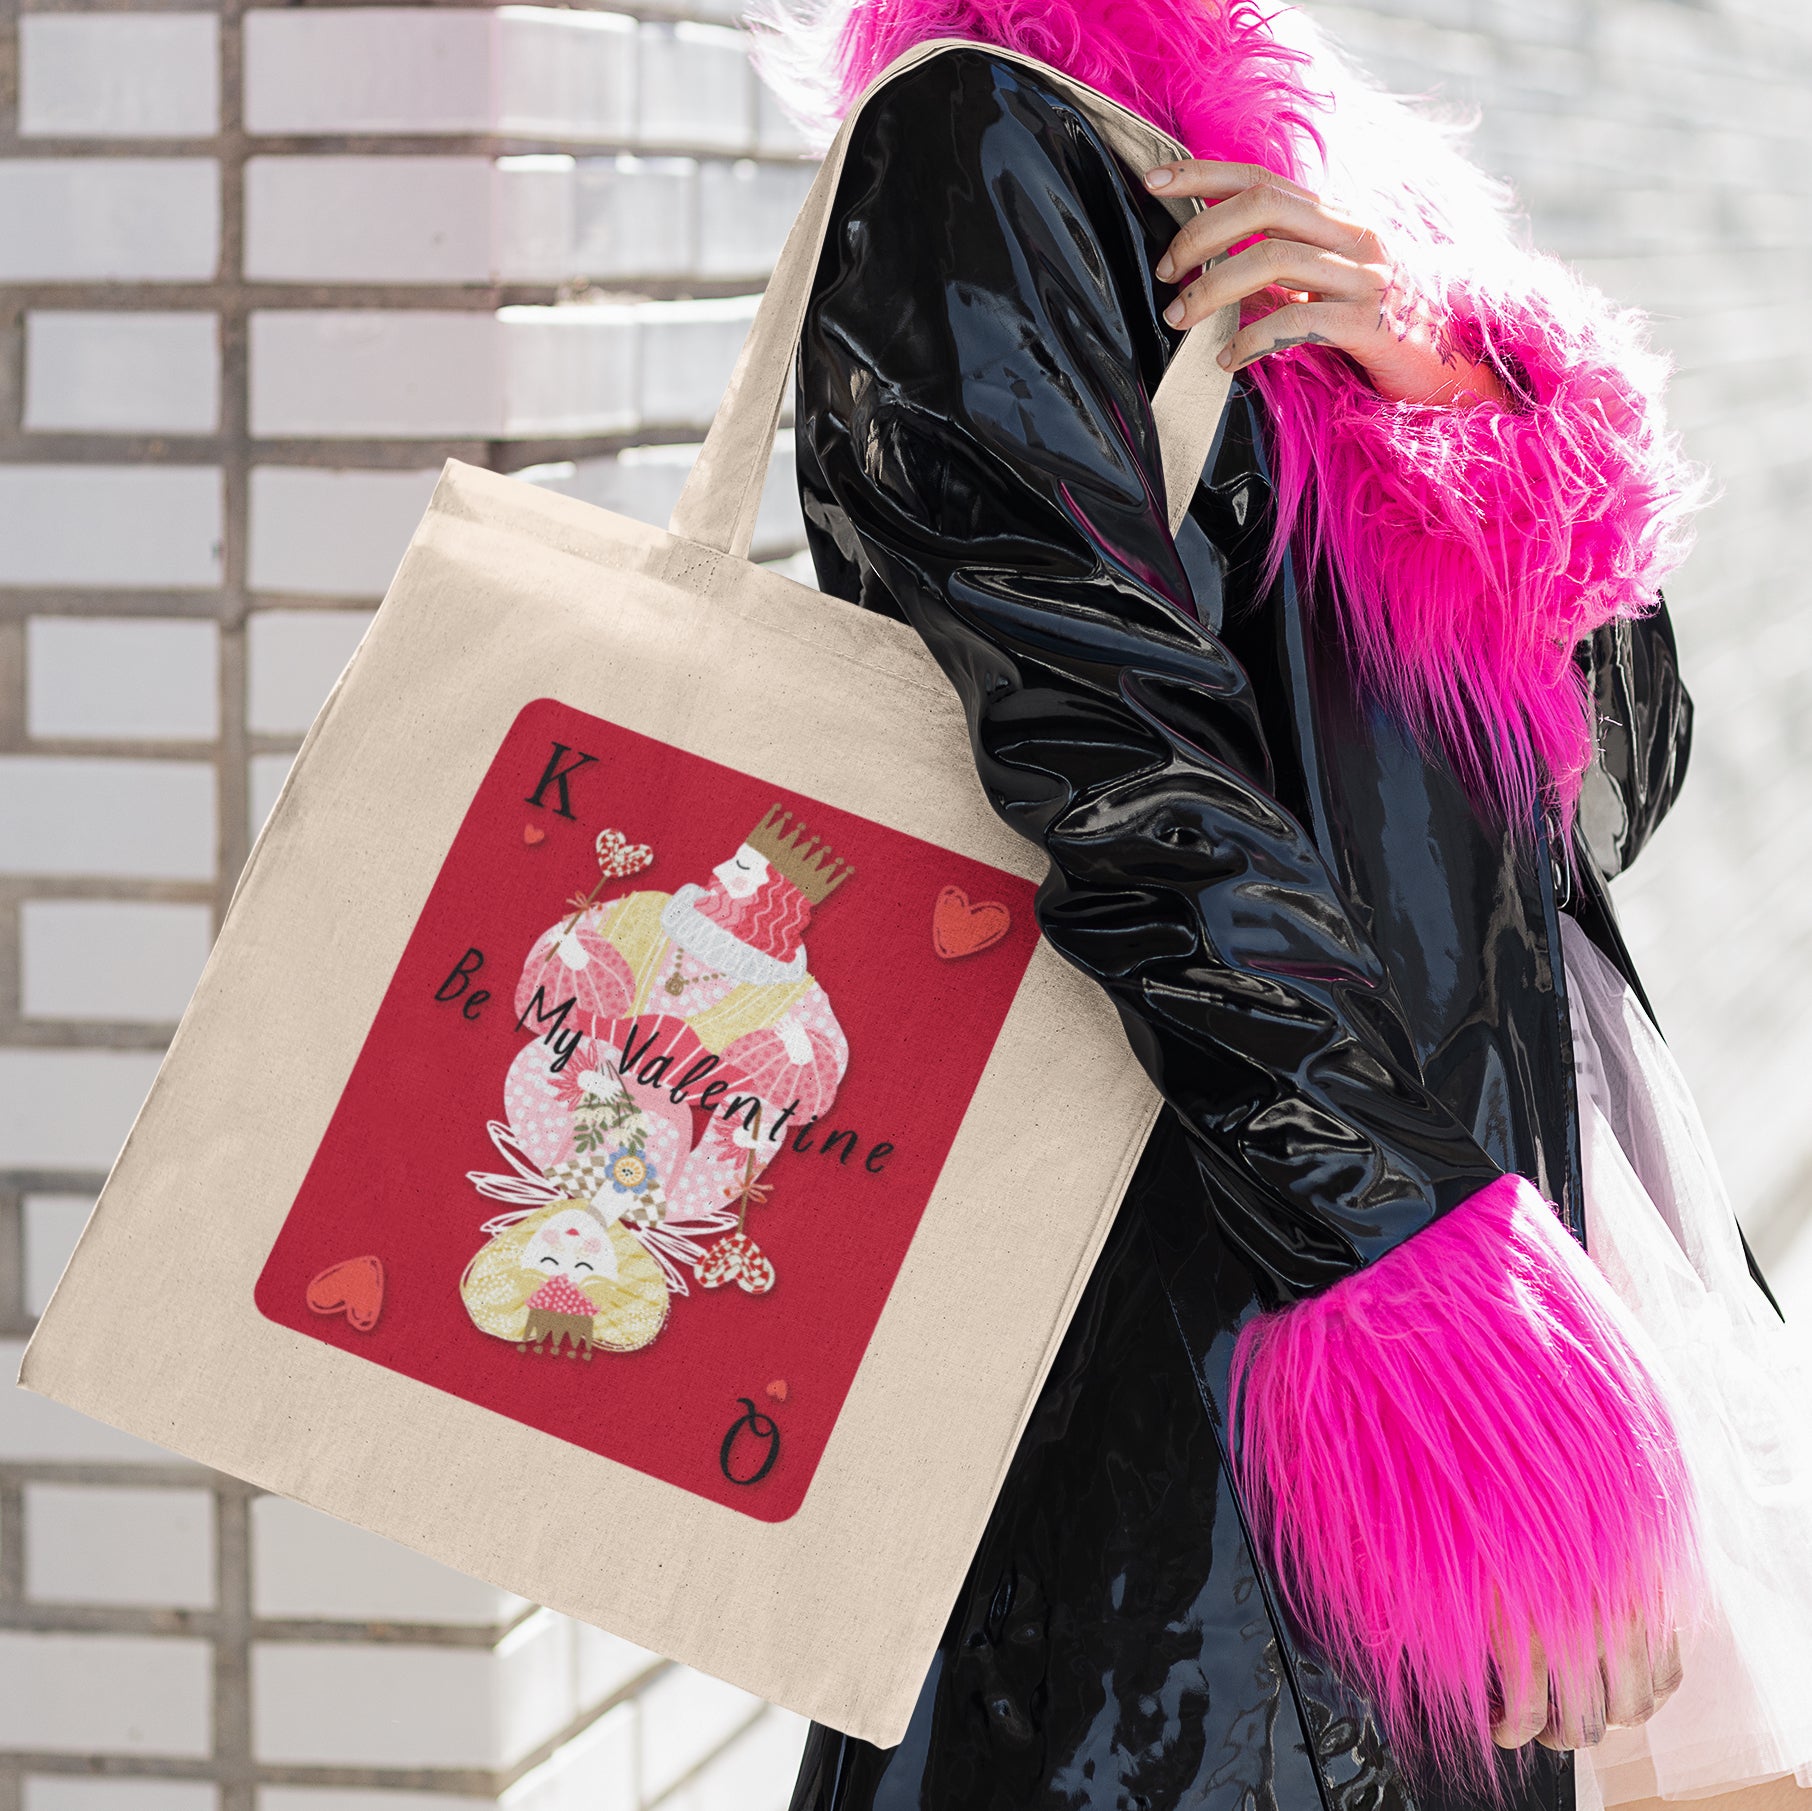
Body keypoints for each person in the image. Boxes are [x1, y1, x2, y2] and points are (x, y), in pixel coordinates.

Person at [752, 0, 1812, 1806]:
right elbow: (1111, 763)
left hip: (1417, 1227)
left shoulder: (1330, 193)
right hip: (1197, 1332)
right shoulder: (991, 146)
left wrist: (1486, 411)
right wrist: (1415, 1264)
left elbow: (1602, 797)